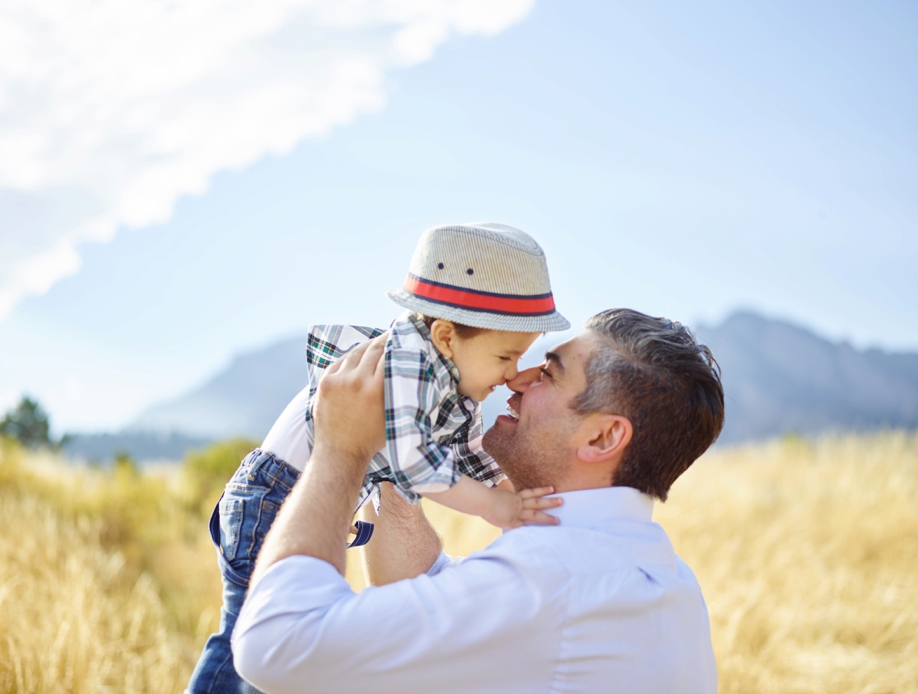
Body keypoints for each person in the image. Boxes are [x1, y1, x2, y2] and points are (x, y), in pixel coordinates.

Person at [231, 308, 725, 694]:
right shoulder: (663, 579)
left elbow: (274, 645)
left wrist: (341, 449)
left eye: (549, 375)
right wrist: (399, 443)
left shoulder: (551, 582)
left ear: (602, 439)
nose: (517, 380)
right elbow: (434, 594)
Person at [187, 222, 569, 693]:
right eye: (505, 358)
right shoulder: (404, 367)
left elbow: (470, 457)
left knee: (268, 652)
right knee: (251, 643)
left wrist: (523, 498)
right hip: (275, 498)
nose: (511, 375)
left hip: (304, 501)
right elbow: (415, 462)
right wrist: (496, 508)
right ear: (447, 336)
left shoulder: (451, 383)